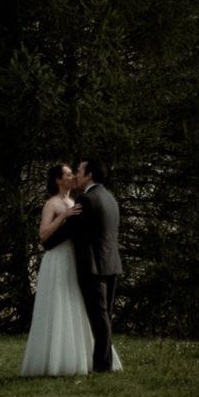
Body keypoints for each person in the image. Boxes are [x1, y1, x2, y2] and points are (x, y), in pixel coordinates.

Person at [19, 163, 96, 377]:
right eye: (68, 174)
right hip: (57, 259)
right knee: (58, 304)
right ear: (58, 180)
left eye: (73, 173)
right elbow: (43, 235)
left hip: (72, 258)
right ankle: (53, 361)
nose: (73, 177)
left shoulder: (72, 201)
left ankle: (77, 356)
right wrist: (64, 216)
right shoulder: (52, 204)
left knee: (73, 302)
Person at [69, 157, 123, 373]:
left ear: (90, 174)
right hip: (111, 263)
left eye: (80, 171)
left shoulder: (87, 199)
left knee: (99, 317)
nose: (76, 174)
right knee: (105, 315)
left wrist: (47, 237)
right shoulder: (110, 198)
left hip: (93, 266)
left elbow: (70, 229)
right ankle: (104, 362)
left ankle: (102, 365)